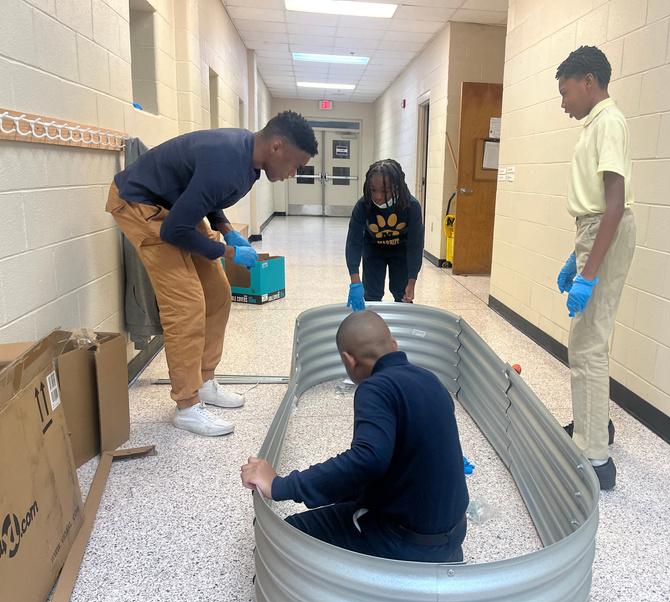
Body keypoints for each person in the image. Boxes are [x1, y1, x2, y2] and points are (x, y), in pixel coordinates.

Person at [107, 111, 317, 437]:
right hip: (139, 203)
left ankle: (204, 381)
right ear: (277, 146)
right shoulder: (228, 159)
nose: (293, 173)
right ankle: (187, 405)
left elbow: (206, 194)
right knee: (186, 304)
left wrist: (227, 230)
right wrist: (227, 252)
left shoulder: (248, 159)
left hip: (174, 207)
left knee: (218, 292)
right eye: (295, 165)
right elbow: (175, 231)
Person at [241, 310, 468, 563]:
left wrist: (279, 485)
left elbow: (367, 459)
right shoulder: (430, 380)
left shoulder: (376, 388)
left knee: (283, 534)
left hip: (404, 540)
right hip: (452, 534)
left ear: (348, 360)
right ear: (393, 345)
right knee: (348, 496)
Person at [555, 46, 636, 490]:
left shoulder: (609, 122)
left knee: (586, 344)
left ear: (589, 81)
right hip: (595, 229)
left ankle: (595, 458)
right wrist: (577, 257)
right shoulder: (596, 124)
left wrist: (588, 274)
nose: (563, 102)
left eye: (566, 92)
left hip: (605, 227)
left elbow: (615, 205)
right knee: (591, 339)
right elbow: (597, 204)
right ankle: (594, 426)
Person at [344, 159, 425, 311]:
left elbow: (415, 245)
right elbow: (353, 242)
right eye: (373, 190)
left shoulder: (411, 206)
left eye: (385, 191)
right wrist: (355, 281)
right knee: (371, 294)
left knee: (402, 294)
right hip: (373, 248)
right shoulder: (363, 205)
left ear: (397, 186)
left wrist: (412, 281)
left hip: (401, 249)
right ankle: (371, 325)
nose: (378, 196)